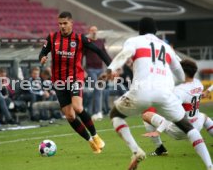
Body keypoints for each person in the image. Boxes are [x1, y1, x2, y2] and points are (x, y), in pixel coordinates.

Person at [107, 17, 213, 170]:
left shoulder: (134, 41)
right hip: (167, 95)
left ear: (140, 30)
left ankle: (137, 150)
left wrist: (111, 69)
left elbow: (125, 54)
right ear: (156, 31)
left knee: (116, 115)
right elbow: (179, 73)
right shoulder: (167, 47)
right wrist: (171, 83)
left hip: (143, 91)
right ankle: (210, 166)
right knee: (191, 128)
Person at [39, 11, 111, 154]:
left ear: (71, 23)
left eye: (65, 23)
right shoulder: (52, 37)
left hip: (74, 78)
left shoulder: (79, 39)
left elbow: (98, 51)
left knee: (78, 108)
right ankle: (90, 141)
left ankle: (95, 136)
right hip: (58, 81)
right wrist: (42, 57)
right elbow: (43, 51)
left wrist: (112, 66)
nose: (62, 26)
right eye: (60, 24)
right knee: (70, 116)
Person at [142, 59, 213, 156]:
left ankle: (160, 148)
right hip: (196, 126)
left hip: (179, 130)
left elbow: (172, 114)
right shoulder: (198, 84)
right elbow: (194, 94)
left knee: (146, 115)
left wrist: (158, 131)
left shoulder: (180, 91)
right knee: (204, 117)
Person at [83, 26, 111, 121]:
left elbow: (105, 54)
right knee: (97, 88)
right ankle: (97, 112)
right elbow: (81, 56)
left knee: (98, 90)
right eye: (92, 30)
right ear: (89, 31)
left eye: (95, 30)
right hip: (91, 69)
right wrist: (82, 70)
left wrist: (112, 65)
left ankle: (96, 112)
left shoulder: (100, 42)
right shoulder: (87, 42)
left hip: (100, 69)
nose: (94, 32)